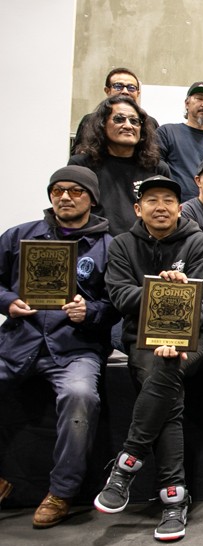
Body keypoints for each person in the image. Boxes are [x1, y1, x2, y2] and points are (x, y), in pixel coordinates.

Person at [95, 175, 203, 542]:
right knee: (165, 384)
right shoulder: (122, 245)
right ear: (138, 208)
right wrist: (162, 290)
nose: (160, 207)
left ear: (180, 208)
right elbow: (120, 296)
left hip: (191, 339)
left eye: (168, 200)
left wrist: (177, 329)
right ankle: (173, 498)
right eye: (152, 200)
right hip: (142, 341)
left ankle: (127, 463)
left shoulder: (198, 243)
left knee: (166, 368)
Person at [0, 166, 117, 527]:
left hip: (75, 348)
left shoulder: (109, 246)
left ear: (91, 198)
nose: (65, 197)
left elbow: (117, 304)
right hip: (19, 342)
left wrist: (90, 311)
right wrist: (8, 302)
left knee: (80, 397)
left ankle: (61, 492)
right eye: (58, 190)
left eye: (75, 191)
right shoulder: (19, 237)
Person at [69, 95, 170, 235]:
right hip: (96, 242)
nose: (128, 126)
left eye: (134, 121)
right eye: (119, 119)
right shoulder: (81, 166)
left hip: (144, 243)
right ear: (102, 124)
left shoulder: (157, 168)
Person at [156, 82, 203, 202]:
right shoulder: (167, 132)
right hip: (174, 206)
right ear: (187, 103)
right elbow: (155, 171)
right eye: (199, 98)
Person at [71, 68, 157, 155]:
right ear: (107, 91)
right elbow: (78, 152)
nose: (125, 91)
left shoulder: (149, 122)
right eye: (118, 86)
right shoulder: (90, 120)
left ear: (138, 93)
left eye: (131, 88)